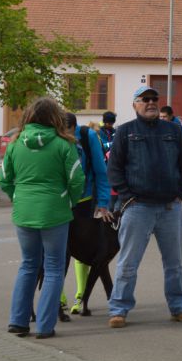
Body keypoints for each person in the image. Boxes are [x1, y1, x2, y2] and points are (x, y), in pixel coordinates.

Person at [106, 86, 182, 328]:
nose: (150, 102)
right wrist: (127, 196)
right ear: (135, 105)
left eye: (154, 99)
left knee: (174, 264)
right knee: (128, 263)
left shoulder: (174, 131)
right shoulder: (124, 132)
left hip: (169, 208)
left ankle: (179, 307)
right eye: (144, 99)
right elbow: (114, 169)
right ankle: (119, 310)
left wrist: (179, 193)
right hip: (137, 208)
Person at [0, 97, 86, 339]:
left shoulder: (15, 143)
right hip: (55, 211)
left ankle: (18, 321)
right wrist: (70, 201)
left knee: (28, 264)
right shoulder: (64, 144)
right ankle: (45, 327)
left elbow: (4, 179)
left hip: (24, 211)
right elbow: (77, 180)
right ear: (55, 118)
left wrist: (18, 197)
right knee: (54, 268)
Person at [63, 113, 112, 315]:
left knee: (82, 251)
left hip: (83, 201)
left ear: (74, 127)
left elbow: (101, 170)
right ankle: (58, 298)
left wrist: (103, 203)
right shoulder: (52, 135)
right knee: (58, 251)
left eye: (67, 131)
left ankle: (81, 295)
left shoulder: (87, 136)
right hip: (58, 203)